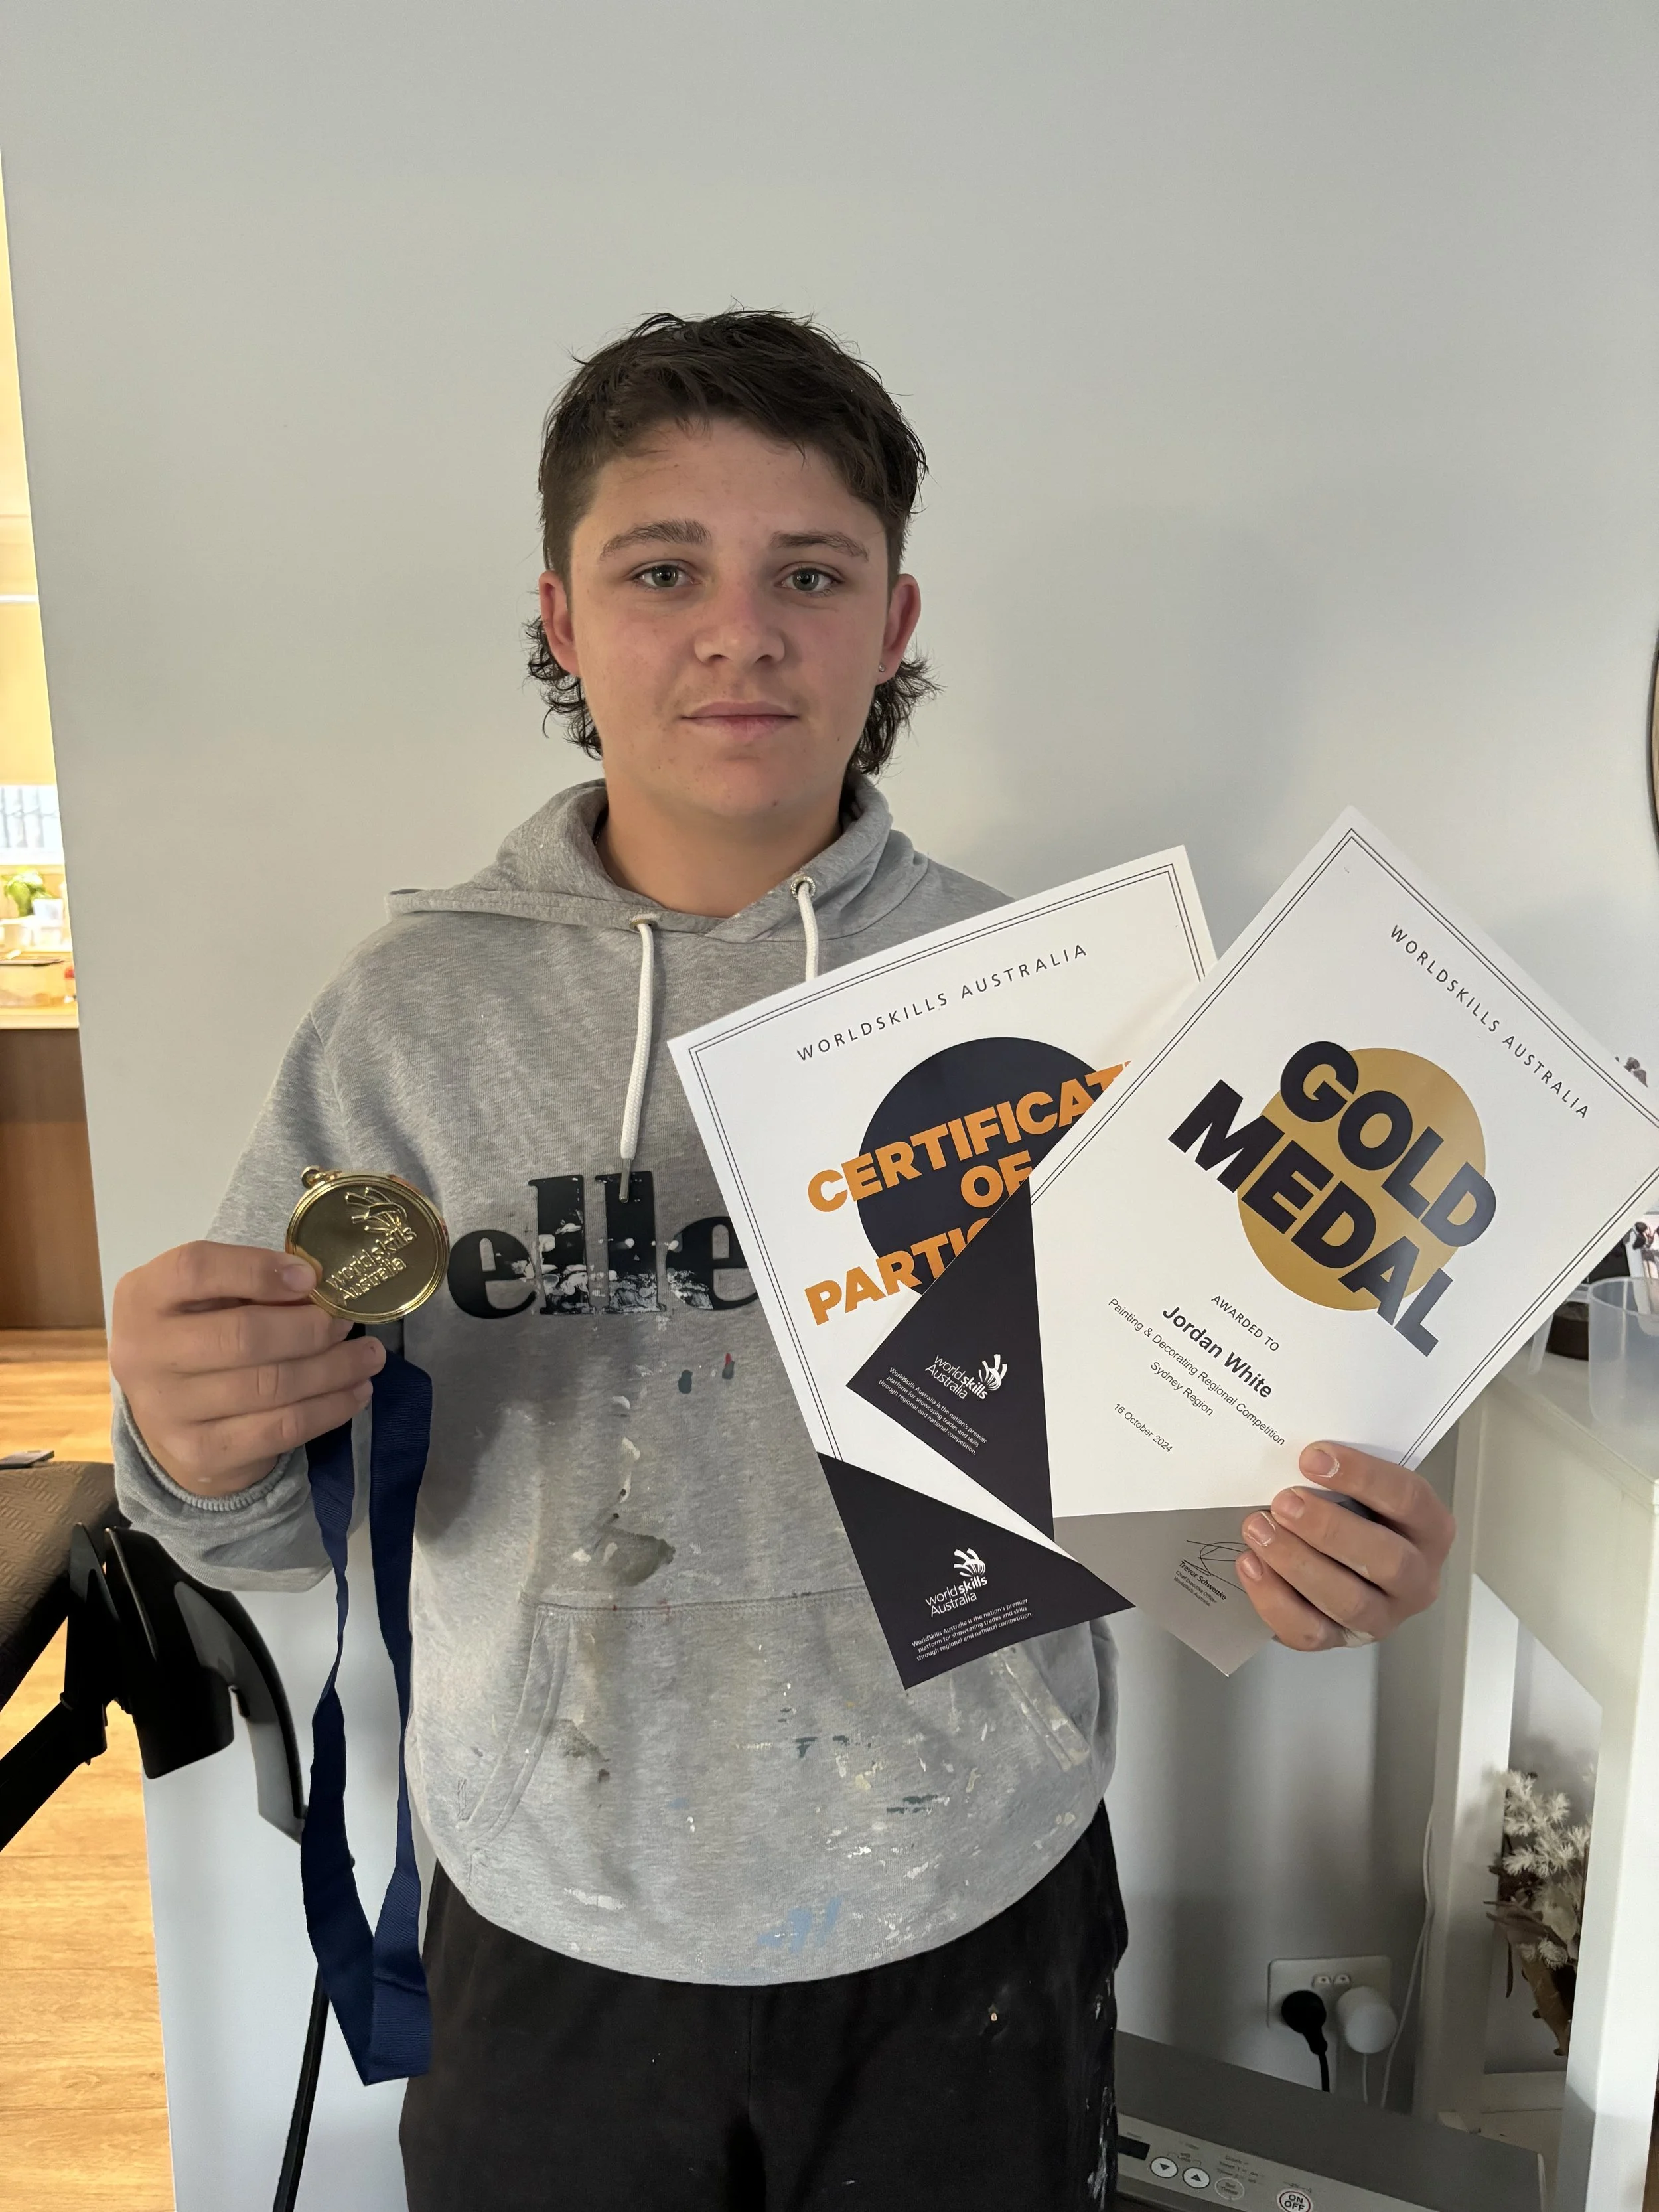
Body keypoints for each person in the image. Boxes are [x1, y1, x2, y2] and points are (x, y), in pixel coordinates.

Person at [108, 310, 1454, 2211]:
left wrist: (1316, 1553)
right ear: (565, 622)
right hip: (550, 1920)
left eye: (807, 572)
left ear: (891, 623)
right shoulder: (406, 1021)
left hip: (971, 1908)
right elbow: (252, 1525)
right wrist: (196, 1441)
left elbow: (1198, 1481)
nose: (738, 628)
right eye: (663, 569)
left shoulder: (1083, 1013)